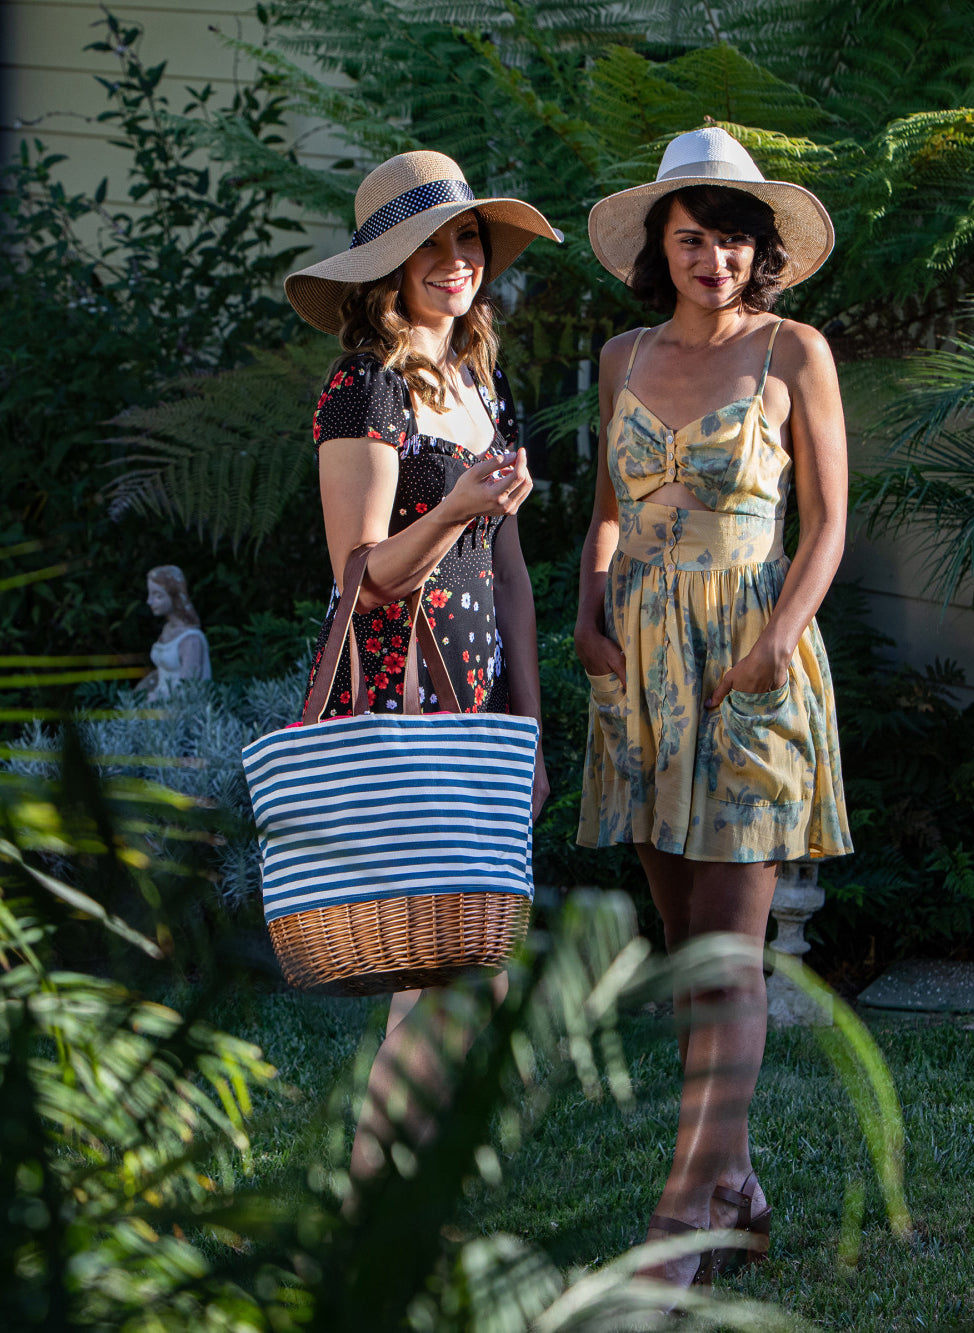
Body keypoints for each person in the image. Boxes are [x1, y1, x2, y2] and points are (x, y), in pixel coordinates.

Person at [575, 127, 854, 1286]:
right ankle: (733, 1190)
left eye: (733, 240)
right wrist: (586, 614)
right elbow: (601, 506)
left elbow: (831, 522)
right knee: (689, 953)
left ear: (759, 252)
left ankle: (677, 1226)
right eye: (691, 238)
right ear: (661, 247)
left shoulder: (794, 351)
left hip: (749, 661)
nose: (713, 259)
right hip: (636, 666)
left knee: (732, 963)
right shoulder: (620, 356)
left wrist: (774, 642)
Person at [283, 149, 561, 1196]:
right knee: (442, 970)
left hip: (479, 702)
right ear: (386, 273)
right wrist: (454, 508)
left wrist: (527, 725)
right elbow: (360, 573)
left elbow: (512, 574)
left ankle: (402, 1216)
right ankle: (382, 1216)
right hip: (402, 698)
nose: (456, 261)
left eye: (467, 238)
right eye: (430, 245)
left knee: (461, 971)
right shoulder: (364, 388)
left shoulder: (484, 384)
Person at [136, 565, 211, 701]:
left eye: (158, 596)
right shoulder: (168, 629)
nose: (149, 601)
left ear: (174, 596)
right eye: (150, 594)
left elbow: (189, 688)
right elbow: (163, 672)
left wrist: (155, 698)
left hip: (180, 713)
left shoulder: (191, 640)